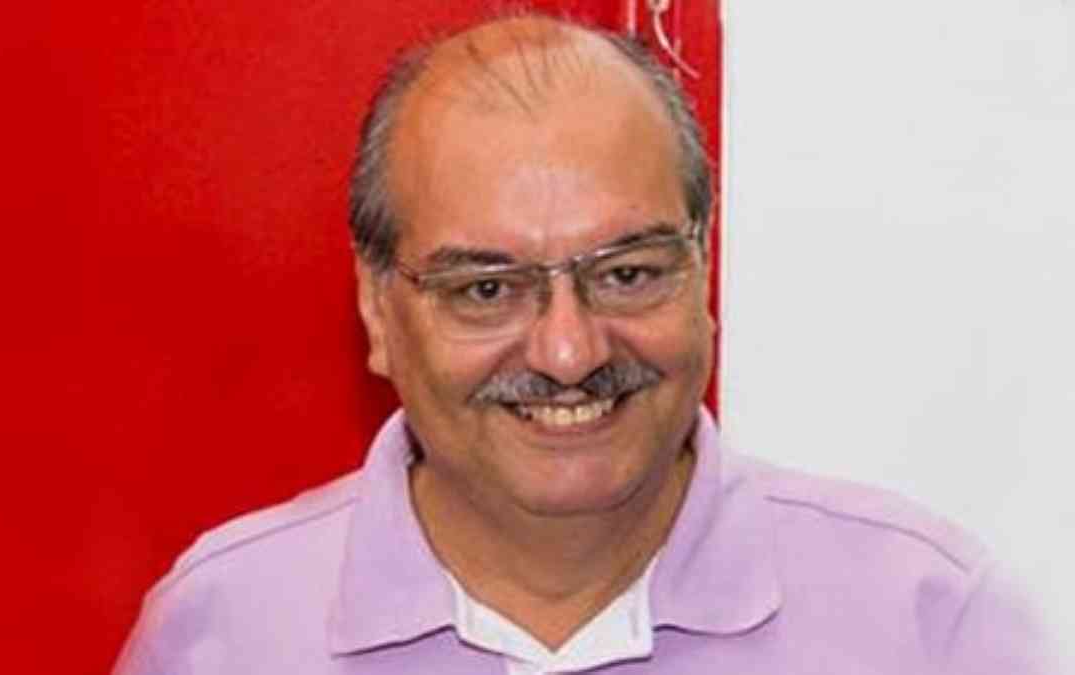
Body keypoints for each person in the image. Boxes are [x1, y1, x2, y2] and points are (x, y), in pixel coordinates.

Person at [113, 12, 1052, 675]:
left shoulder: (930, 628)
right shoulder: (223, 633)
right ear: (378, 311)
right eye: (487, 289)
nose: (569, 351)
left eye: (627, 273)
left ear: (702, 270)